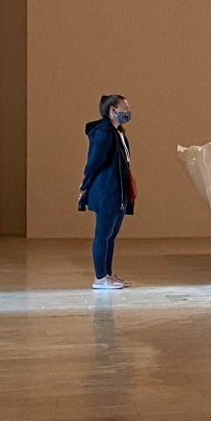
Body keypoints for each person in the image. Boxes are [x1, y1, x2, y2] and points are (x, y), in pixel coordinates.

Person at [78, 94, 136, 289]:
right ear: (112, 110)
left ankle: (108, 274)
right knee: (102, 234)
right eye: (124, 108)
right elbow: (94, 162)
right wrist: (85, 185)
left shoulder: (117, 133)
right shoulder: (104, 133)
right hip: (106, 191)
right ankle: (100, 277)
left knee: (110, 235)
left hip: (118, 192)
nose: (127, 112)